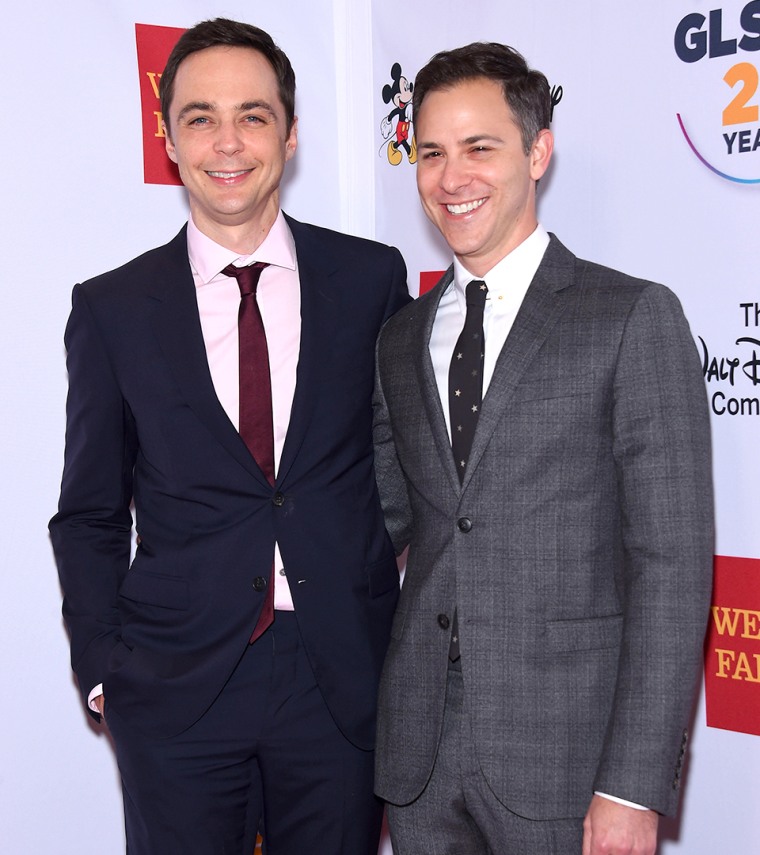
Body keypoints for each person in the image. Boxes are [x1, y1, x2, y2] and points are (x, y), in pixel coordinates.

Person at [49, 17, 409, 855]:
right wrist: (106, 667)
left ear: (291, 132)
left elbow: (405, 473)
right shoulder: (111, 309)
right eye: (200, 117)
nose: (228, 141)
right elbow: (90, 512)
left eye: (253, 114)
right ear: (167, 137)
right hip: (175, 684)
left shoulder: (370, 280)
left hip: (338, 680)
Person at [373, 41, 713, 855]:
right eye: (431, 152)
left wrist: (631, 784)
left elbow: (672, 562)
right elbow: (380, 523)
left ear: (537, 151)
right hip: (418, 761)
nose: (452, 178)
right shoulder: (399, 338)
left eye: (480, 147)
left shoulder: (630, 316)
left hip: (571, 762)